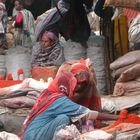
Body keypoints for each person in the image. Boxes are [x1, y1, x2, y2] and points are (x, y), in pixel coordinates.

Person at [21, 72, 118, 140]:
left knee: (67, 118)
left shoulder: (53, 96)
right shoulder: (61, 101)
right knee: (64, 119)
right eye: (73, 85)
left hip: (30, 134)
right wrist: (117, 117)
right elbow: (88, 114)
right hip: (34, 136)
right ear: (66, 86)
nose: (76, 87)